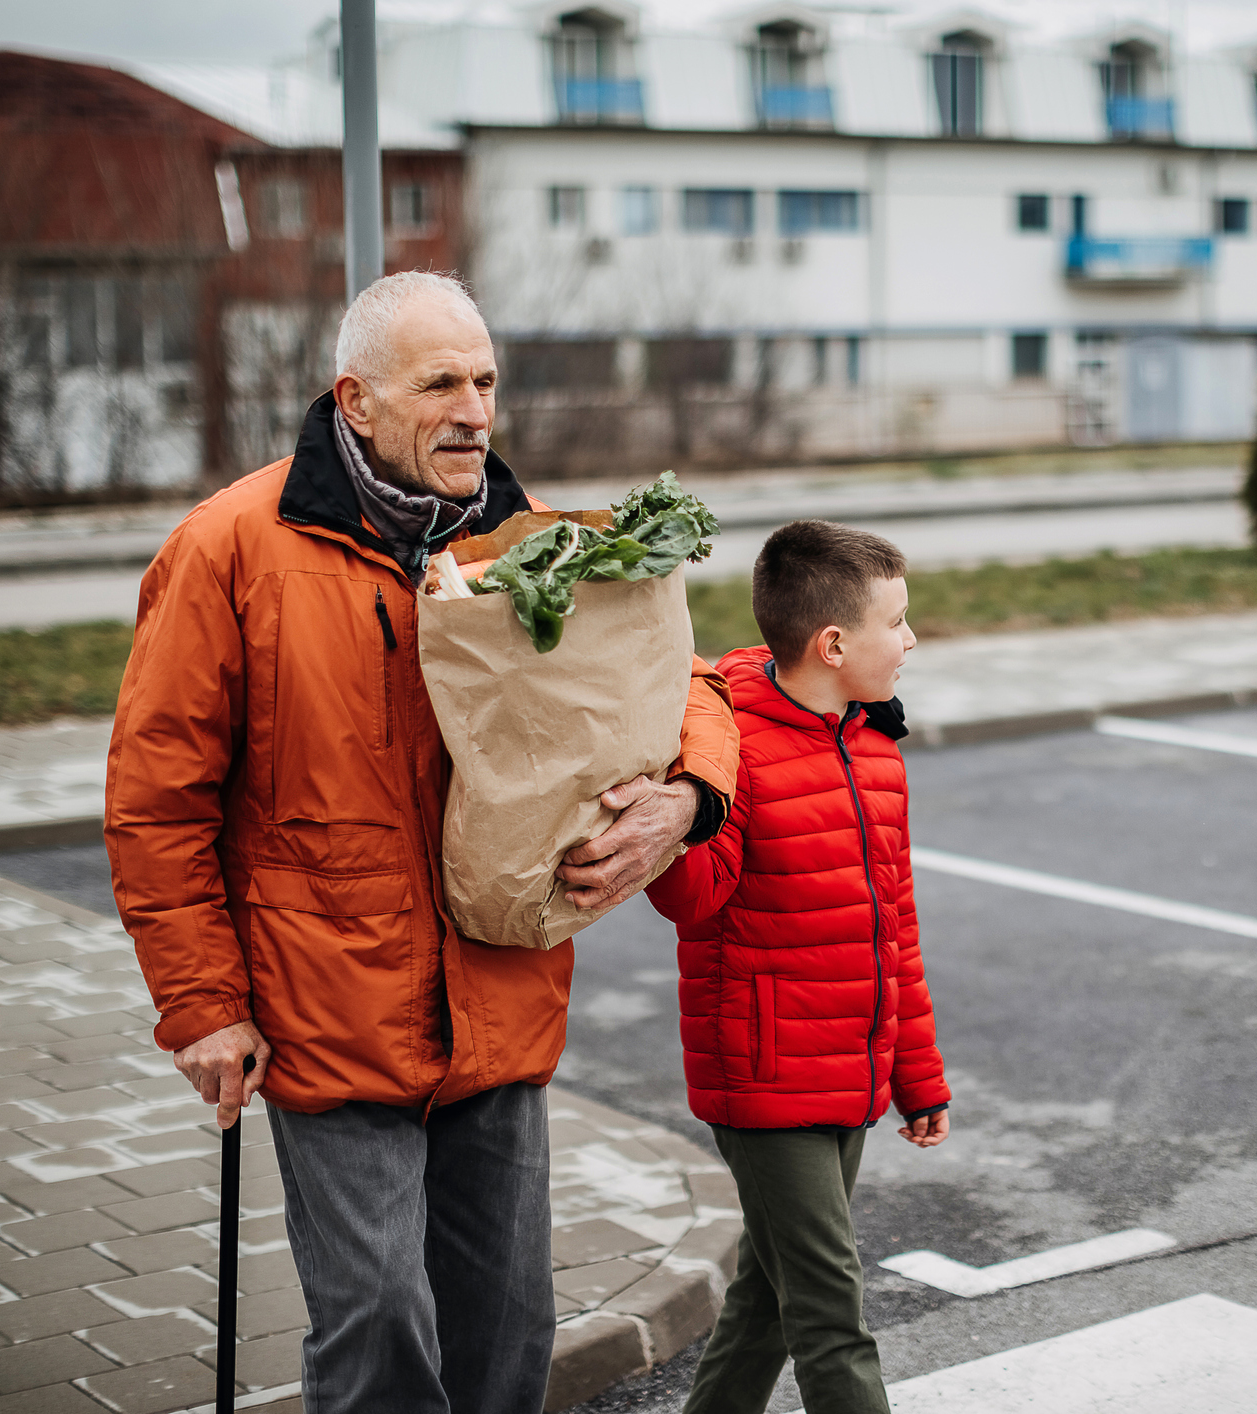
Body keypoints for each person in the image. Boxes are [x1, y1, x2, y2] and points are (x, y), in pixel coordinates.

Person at [103, 271, 739, 1414]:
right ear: (355, 400)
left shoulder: (527, 543)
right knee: (381, 1321)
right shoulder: (230, 549)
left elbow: (672, 677)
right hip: (322, 1009)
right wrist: (201, 1003)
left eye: (486, 381)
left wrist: (689, 795)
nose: (474, 410)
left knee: (509, 1327)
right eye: (439, 382)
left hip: (500, 987)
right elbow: (158, 797)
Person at [647, 520, 951, 1414]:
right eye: (896, 623)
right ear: (832, 644)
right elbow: (692, 900)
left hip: (850, 1068)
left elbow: (894, 924)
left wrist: (916, 1075)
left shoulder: (872, 748)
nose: (910, 640)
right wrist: (665, 815)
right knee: (830, 1312)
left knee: (768, 1302)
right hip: (766, 1074)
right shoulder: (726, 741)